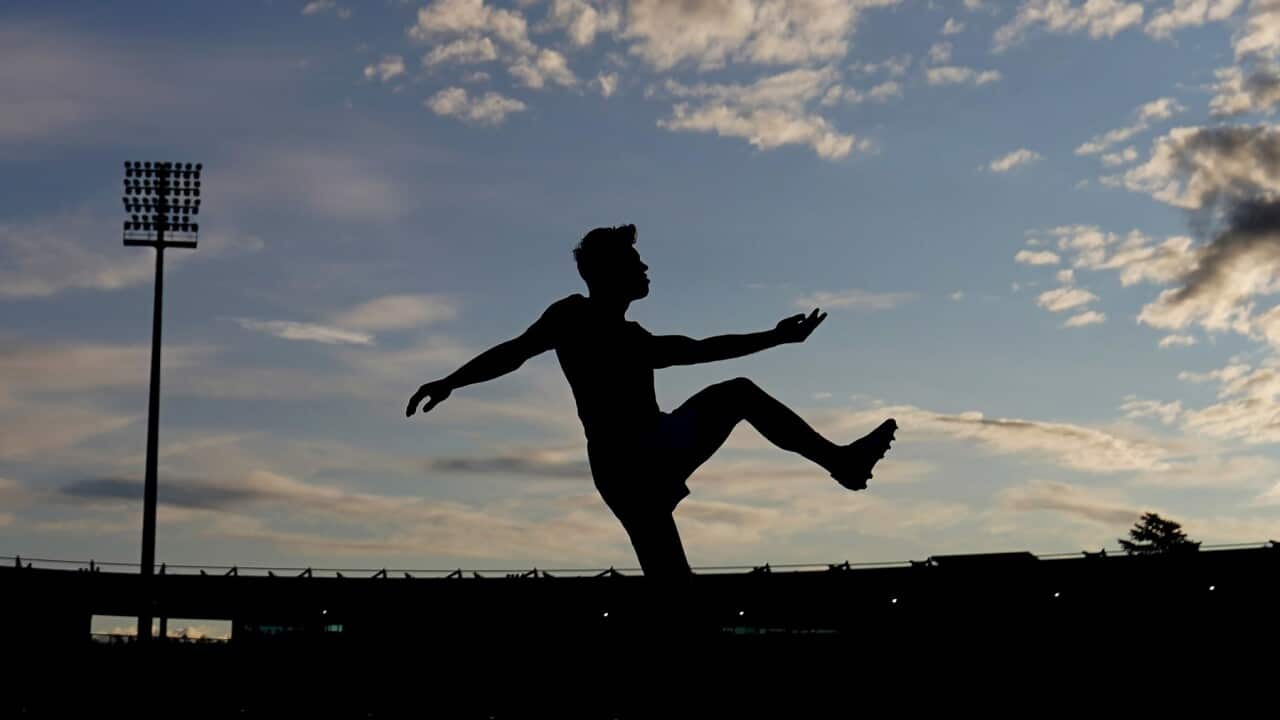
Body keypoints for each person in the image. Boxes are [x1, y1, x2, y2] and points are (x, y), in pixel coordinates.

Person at [406, 224, 896, 580]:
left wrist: (774, 338)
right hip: (635, 456)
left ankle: (842, 462)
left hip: (636, 461)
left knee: (673, 586)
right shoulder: (572, 317)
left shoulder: (633, 336)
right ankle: (842, 462)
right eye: (636, 263)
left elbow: (699, 349)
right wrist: (451, 381)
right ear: (609, 270)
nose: (645, 269)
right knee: (739, 394)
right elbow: (513, 353)